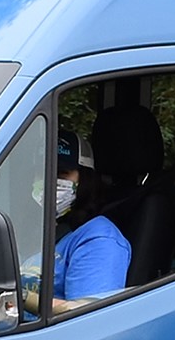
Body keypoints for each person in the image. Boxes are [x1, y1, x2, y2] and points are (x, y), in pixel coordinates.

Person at [28, 128, 130, 314]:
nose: (49, 180)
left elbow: (84, 317)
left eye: (61, 173)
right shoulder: (34, 228)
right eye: (41, 172)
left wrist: (17, 296)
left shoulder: (99, 239)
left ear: (85, 180)